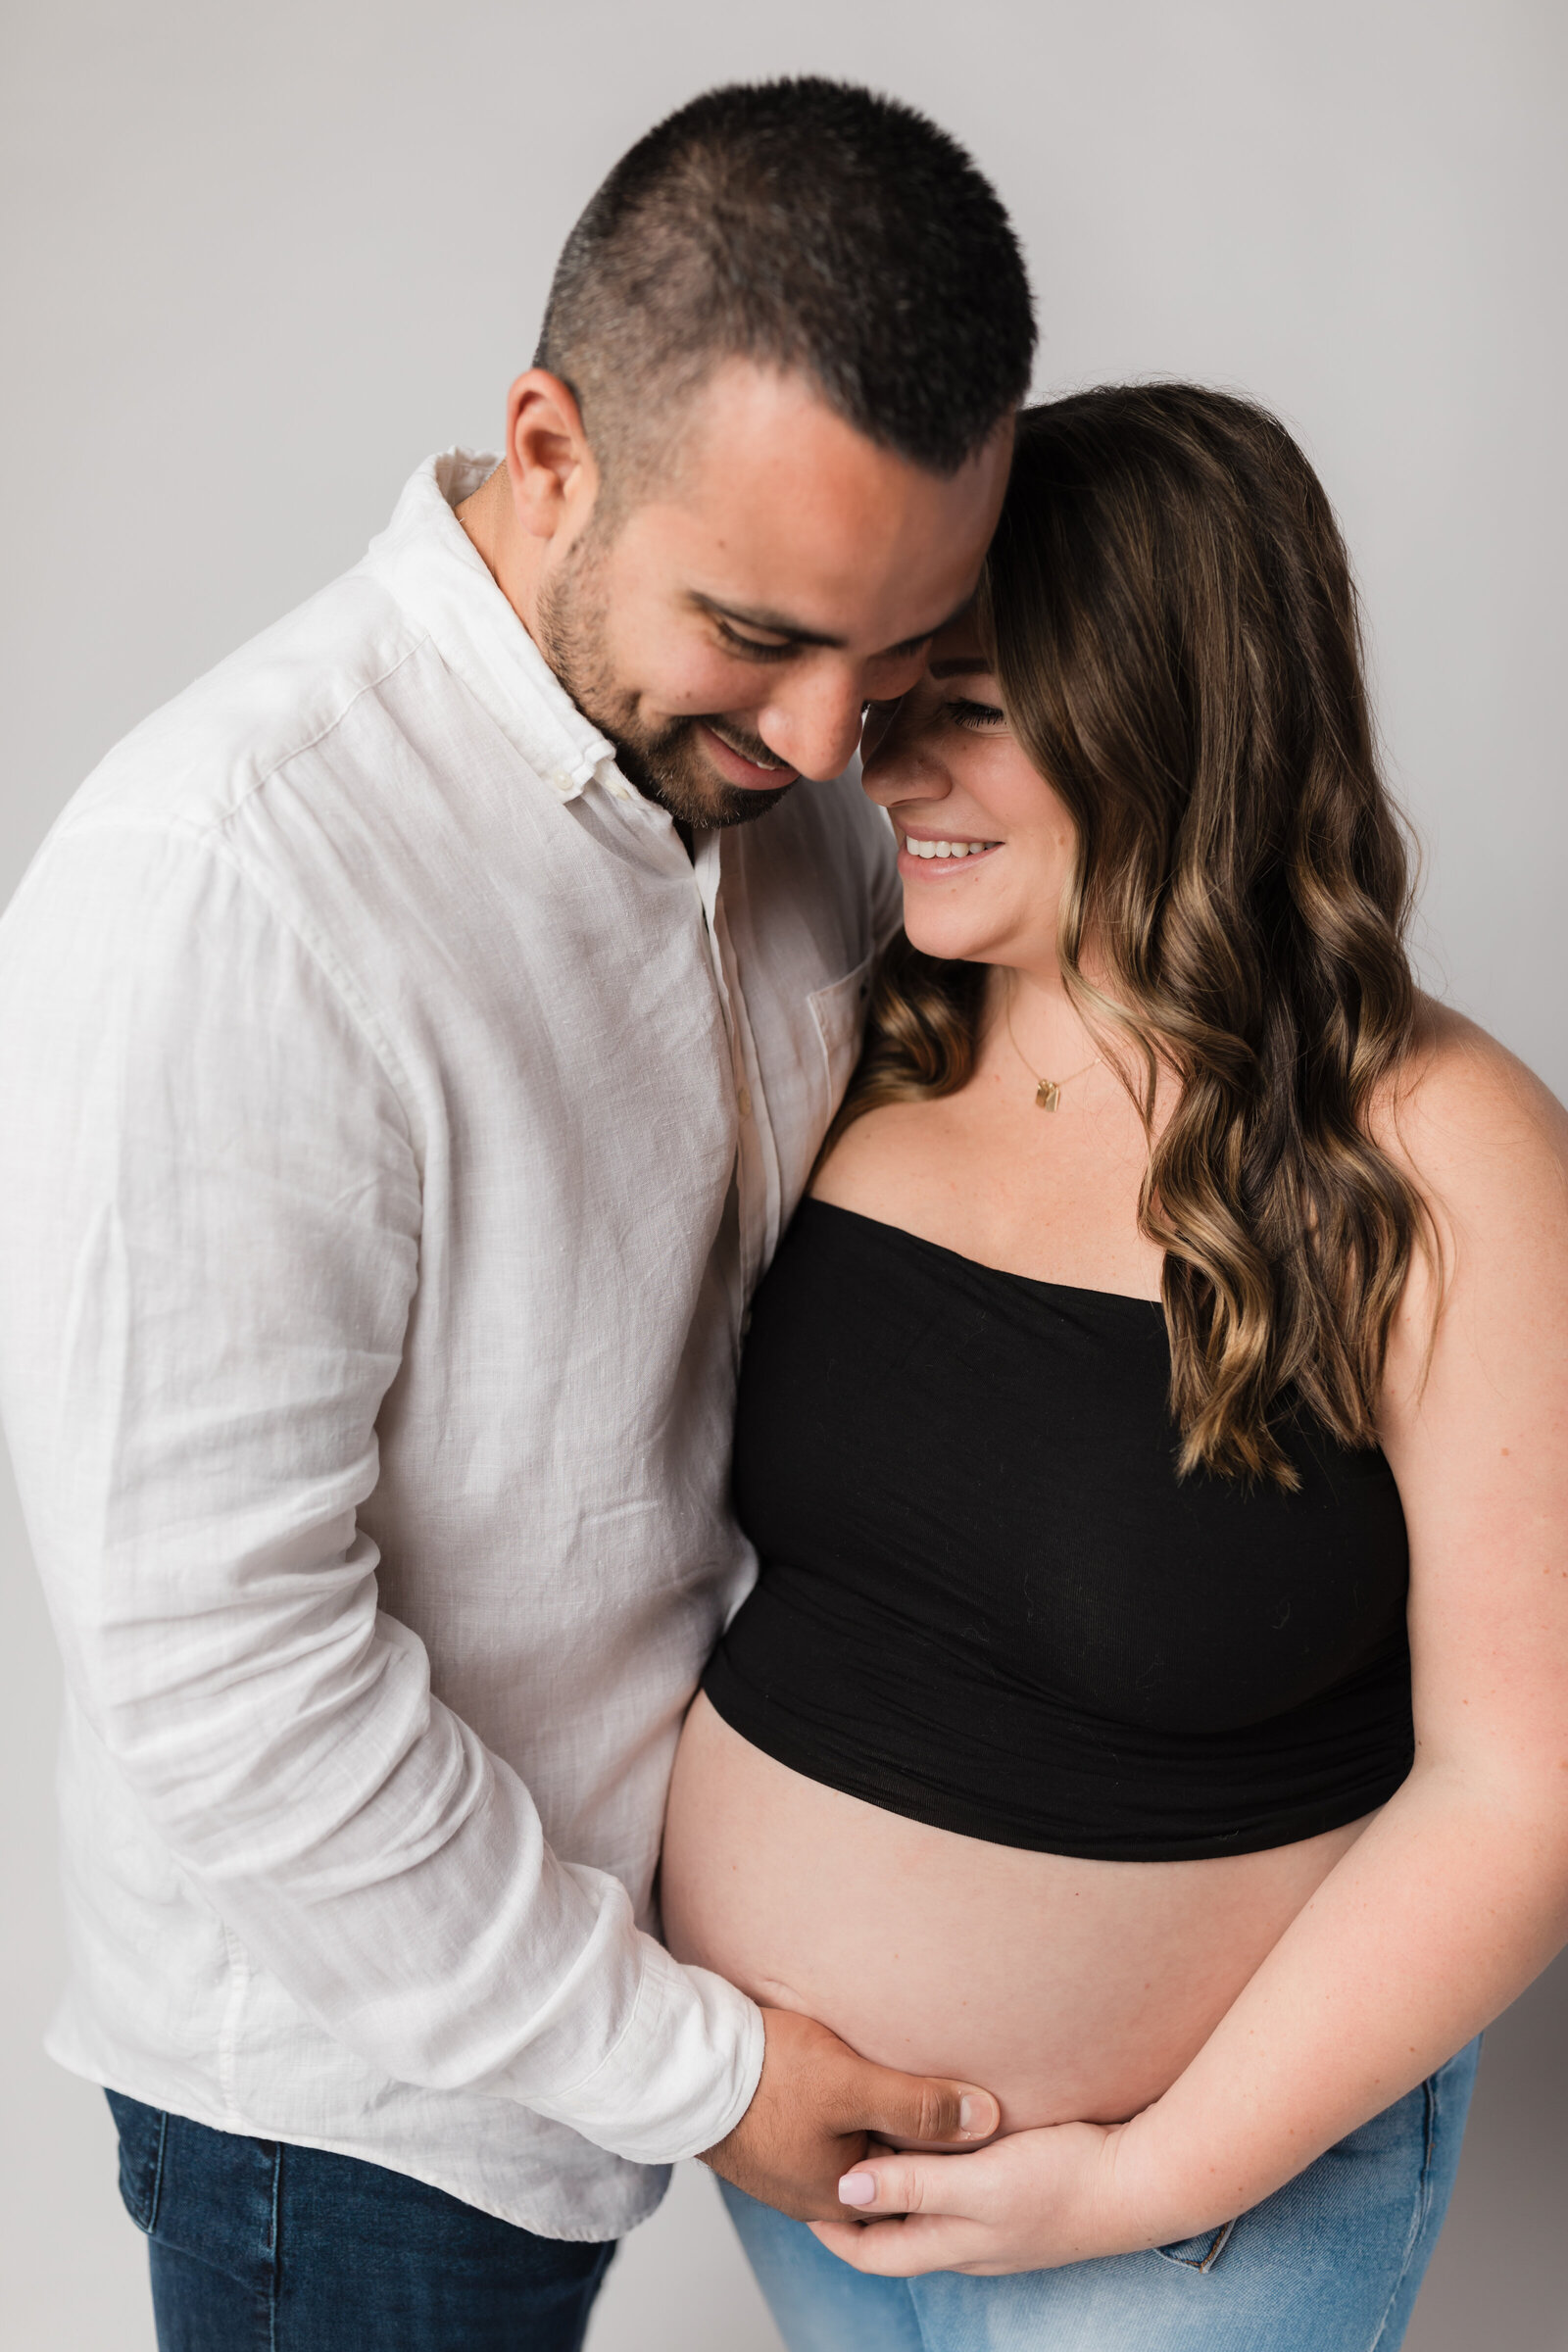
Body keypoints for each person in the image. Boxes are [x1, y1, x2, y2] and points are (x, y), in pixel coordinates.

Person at [0, 80, 1033, 2351]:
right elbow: (227, 1684)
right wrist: (701, 2064)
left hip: (613, 2039)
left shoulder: (781, 801)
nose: (834, 736)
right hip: (358, 2118)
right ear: (546, 448)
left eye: (901, 644)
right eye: (758, 631)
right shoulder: (233, 884)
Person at [662, 385, 1568, 2350]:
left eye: (965, 706)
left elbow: (1526, 1784)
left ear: (1180, 721)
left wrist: (1146, 2179)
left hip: (1192, 2230)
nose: (876, 759)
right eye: (899, 687)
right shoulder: (867, 1037)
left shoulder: (1436, 1149)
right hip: (812, 2194)